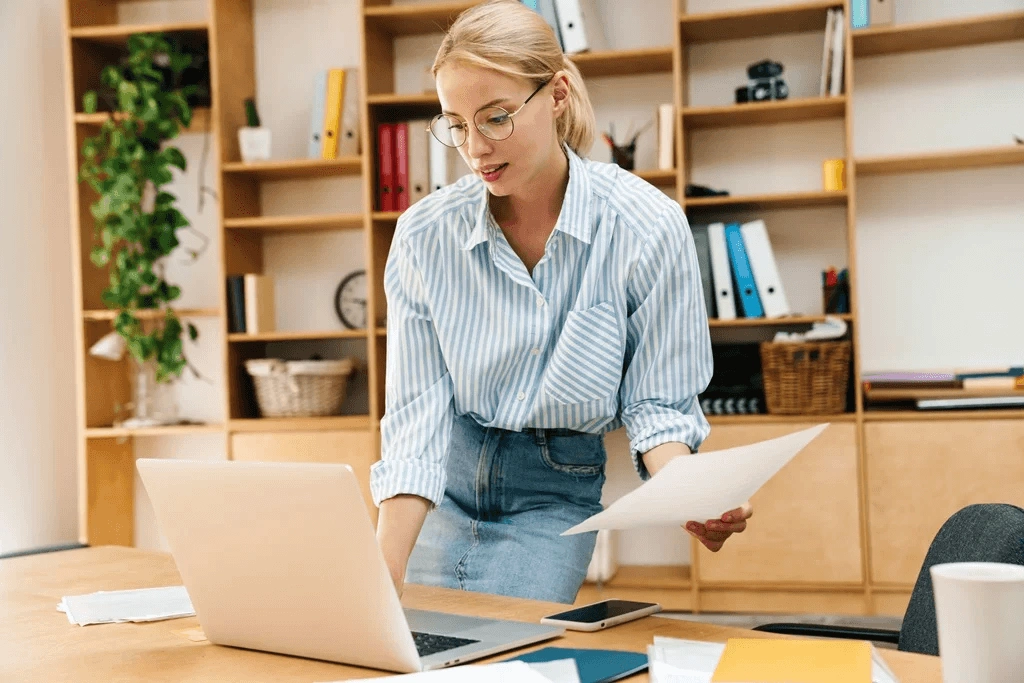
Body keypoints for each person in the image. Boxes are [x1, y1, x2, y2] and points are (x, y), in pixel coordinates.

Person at [370, 0, 753, 605]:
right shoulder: (424, 235)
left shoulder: (646, 226)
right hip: (442, 483)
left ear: (557, 94)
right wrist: (383, 565)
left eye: (496, 118)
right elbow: (416, 417)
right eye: (456, 124)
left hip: (554, 491)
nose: (475, 148)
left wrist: (692, 492)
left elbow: (658, 403)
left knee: (508, 657)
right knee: (413, 650)